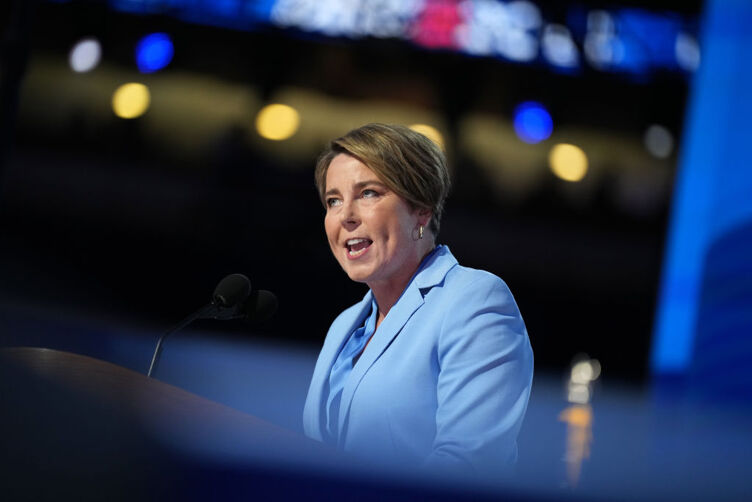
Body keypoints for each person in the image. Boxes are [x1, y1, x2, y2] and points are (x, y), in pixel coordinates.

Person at [303, 123, 533, 476]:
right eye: (333, 200)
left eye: (368, 193)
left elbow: (468, 466)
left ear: (421, 210)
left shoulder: (476, 302)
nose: (345, 216)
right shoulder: (343, 327)